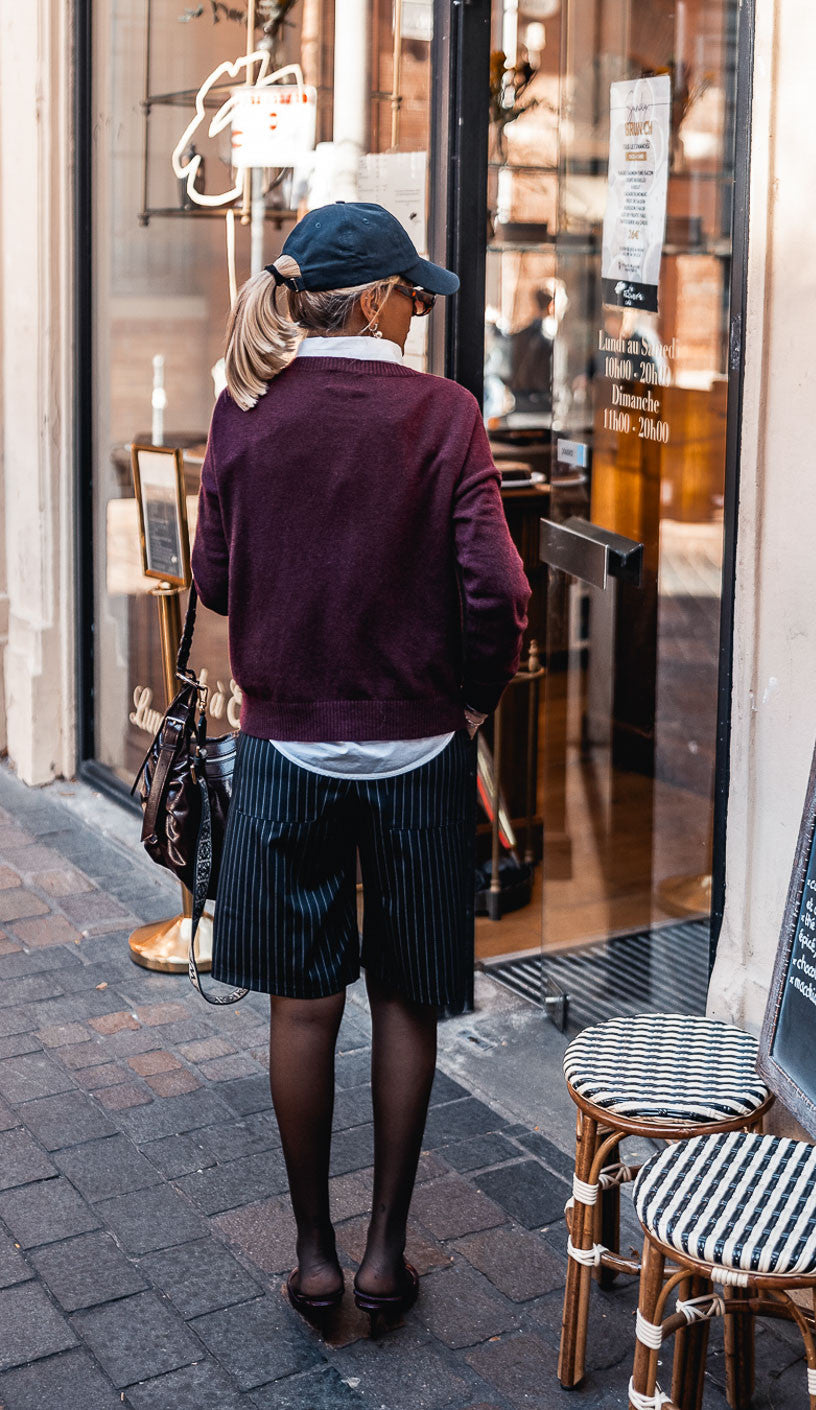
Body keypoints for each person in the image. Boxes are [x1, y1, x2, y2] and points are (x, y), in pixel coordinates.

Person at [190, 201, 530, 1334]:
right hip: (419, 750)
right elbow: (501, 594)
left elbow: (219, 578)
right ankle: (386, 1256)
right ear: (378, 300)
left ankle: (313, 1258)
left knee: (301, 1005)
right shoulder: (442, 415)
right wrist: (468, 699)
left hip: (286, 747)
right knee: (407, 995)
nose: (420, 312)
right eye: (415, 295)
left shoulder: (244, 409)